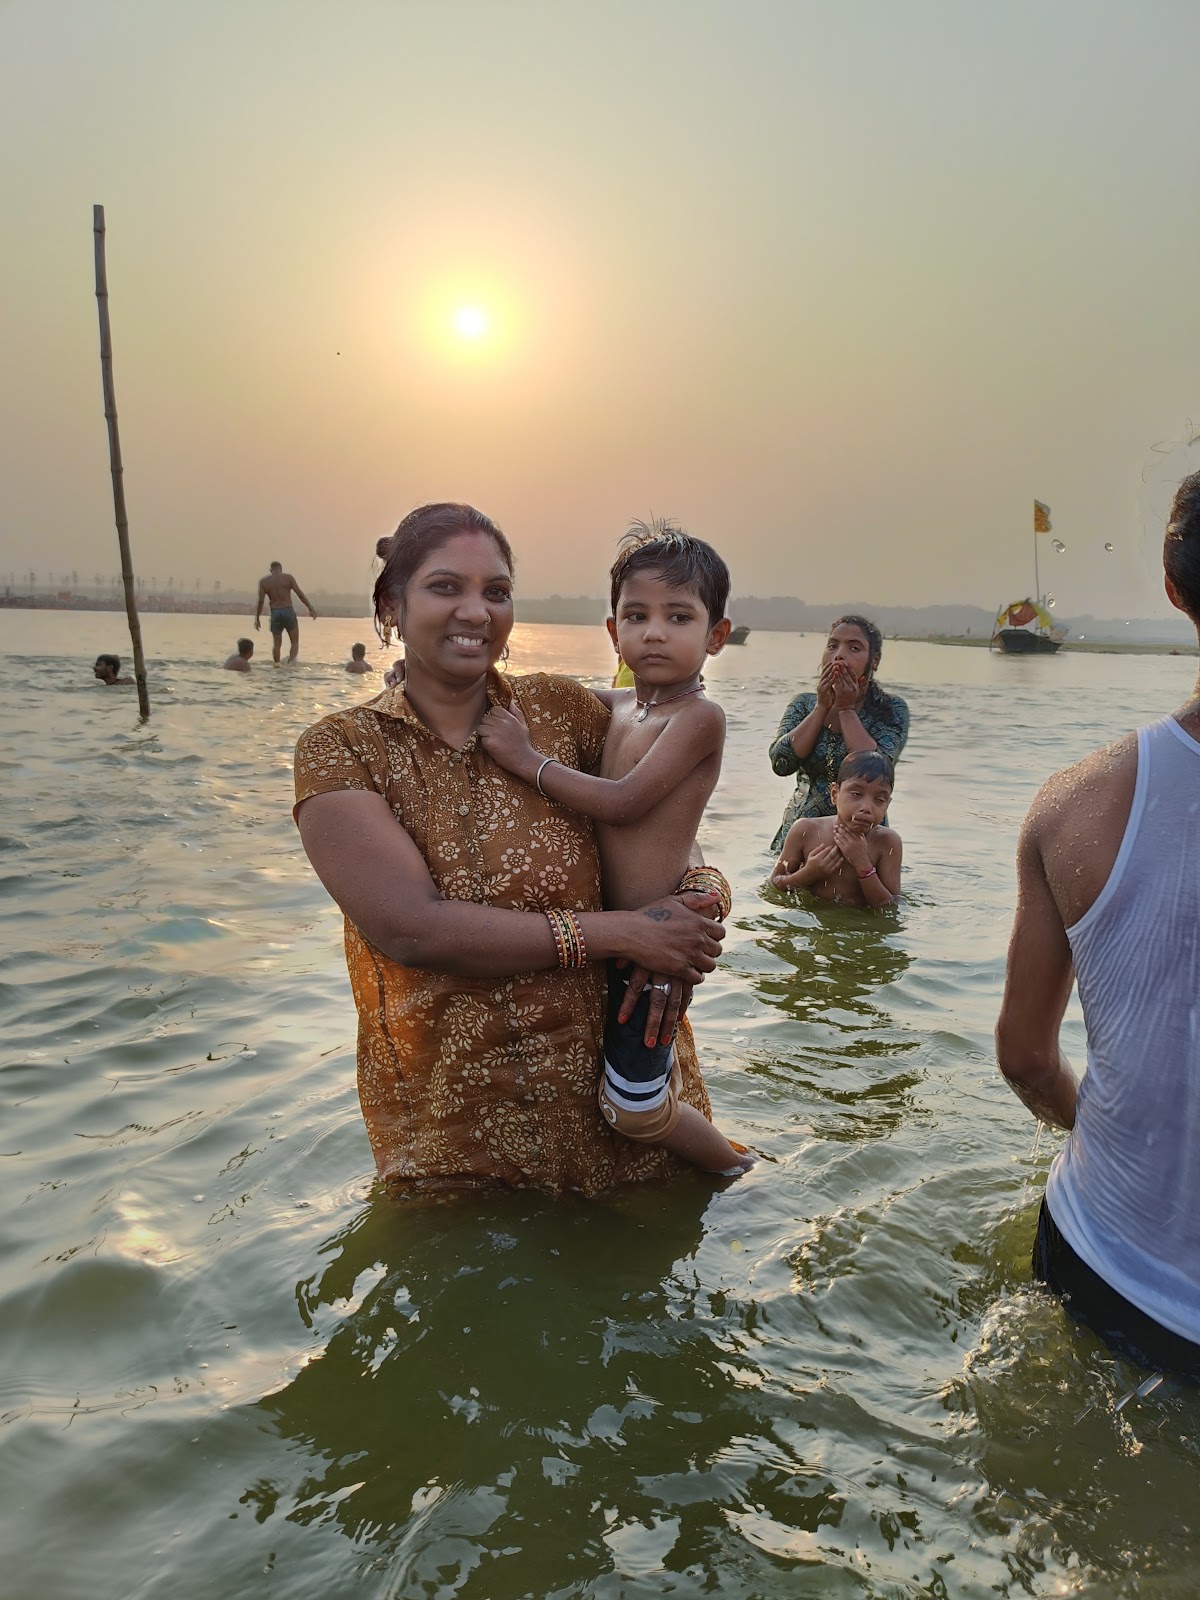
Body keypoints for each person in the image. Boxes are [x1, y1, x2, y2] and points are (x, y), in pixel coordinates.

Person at [293, 503, 729, 1196]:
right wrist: (632, 934)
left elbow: (662, 816)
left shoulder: (558, 713)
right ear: (390, 606)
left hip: (628, 1132)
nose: (475, 611)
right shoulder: (345, 749)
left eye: (495, 592)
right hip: (460, 1144)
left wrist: (699, 907)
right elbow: (413, 928)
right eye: (445, 588)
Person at [995, 468, 1200, 1375]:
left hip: (1097, 1247)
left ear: (1175, 590)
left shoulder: (1074, 807)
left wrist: (1105, 1139)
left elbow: (1027, 1058)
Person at [480, 521, 749, 1176]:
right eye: (638, 615)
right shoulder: (621, 704)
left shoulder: (697, 719)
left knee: (634, 1109)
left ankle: (737, 1171)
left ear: (717, 636)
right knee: (605, 1088)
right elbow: (542, 695)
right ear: (613, 632)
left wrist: (526, 762)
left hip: (653, 946)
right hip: (612, 938)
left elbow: (627, 800)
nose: (654, 631)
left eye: (678, 617)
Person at [769, 616, 909, 853]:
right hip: (802, 837)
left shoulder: (891, 709)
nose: (839, 655)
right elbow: (781, 763)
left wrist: (845, 709)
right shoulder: (804, 705)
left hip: (864, 841)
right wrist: (821, 707)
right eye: (833, 646)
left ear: (873, 661)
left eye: (854, 648)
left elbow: (878, 768)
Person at [770, 750, 902, 906]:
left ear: (887, 804)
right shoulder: (805, 831)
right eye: (856, 794)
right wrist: (808, 874)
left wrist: (863, 866)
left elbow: (890, 906)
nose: (866, 807)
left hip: (858, 924)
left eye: (879, 799)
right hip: (812, 922)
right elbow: (774, 884)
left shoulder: (887, 842)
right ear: (834, 794)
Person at [255, 561, 316, 663]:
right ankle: (291, 664)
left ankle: (277, 666)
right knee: (295, 642)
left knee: (277, 644)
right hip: (288, 610)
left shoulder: (264, 582)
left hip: (275, 612)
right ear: (281, 569)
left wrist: (257, 618)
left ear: (271, 570)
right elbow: (300, 594)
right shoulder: (288, 578)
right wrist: (310, 608)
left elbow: (261, 601)